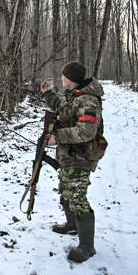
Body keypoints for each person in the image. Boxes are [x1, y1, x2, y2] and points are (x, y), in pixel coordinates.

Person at [40, 61, 107, 263]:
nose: (61, 78)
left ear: (70, 79)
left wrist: (57, 137)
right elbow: (64, 108)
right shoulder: (75, 95)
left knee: (78, 198)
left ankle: (87, 247)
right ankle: (72, 225)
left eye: (63, 76)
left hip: (82, 156)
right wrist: (48, 94)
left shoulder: (88, 101)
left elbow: (87, 132)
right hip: (70, 154)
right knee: (66, 190)